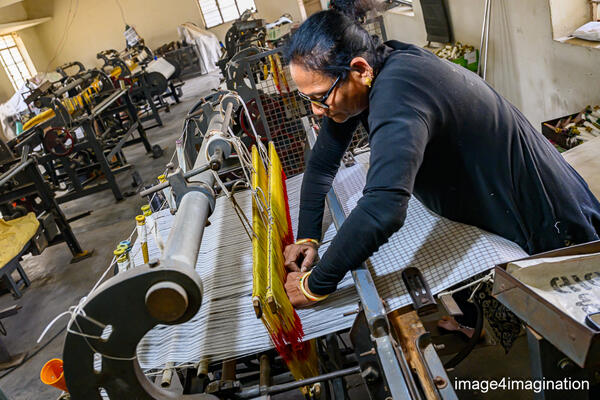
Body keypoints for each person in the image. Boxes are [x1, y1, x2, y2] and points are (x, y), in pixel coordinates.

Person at [282, 0, 600, 307]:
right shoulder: (367, 75)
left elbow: (383, 207)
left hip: (540, 209)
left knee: (567, 303)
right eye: (309, 99)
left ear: (360, 69)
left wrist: (315, 285)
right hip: (493, 195)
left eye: (321, 97)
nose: (317, 110)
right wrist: (308, 237)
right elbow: (322, 164)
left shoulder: (398, 91)